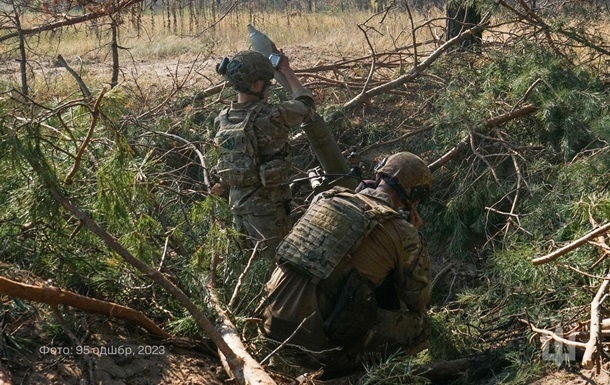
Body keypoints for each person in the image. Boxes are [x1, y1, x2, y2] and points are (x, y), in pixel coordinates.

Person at [260, 152, 432, 373]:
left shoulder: (325, 199)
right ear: (415, 196)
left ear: (378, 174)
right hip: (319, 349)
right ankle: (362, 373)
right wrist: (412, 235)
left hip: (268, 327)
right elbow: (417, 300)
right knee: (421, 326)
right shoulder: (404, 232)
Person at [213, 50, 315, 257]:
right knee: (277, 267)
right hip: (268, 211)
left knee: (246, 266)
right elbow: (307, 104)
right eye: (268, 84)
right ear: (257, 85)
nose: (268, 89)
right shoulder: (273, 115)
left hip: (237, 207)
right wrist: (286, 70)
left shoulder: (221, 120)